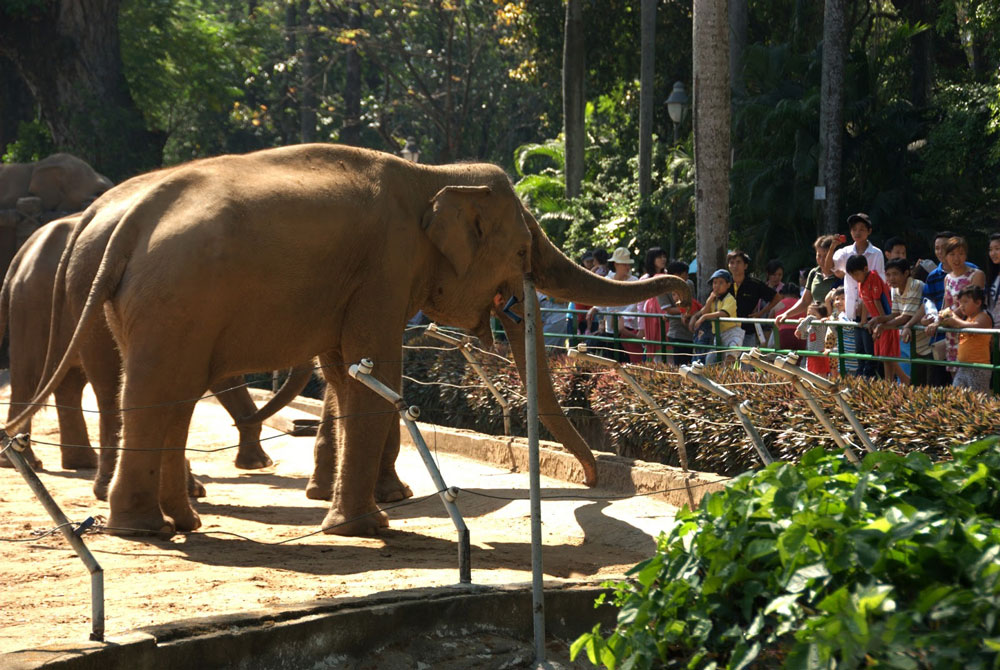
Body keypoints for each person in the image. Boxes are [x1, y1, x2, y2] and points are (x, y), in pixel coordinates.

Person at [775, 235, 842, 376]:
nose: (822, 260)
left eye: (826, 255)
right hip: (816, 327)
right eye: (819, 255)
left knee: (833, 363)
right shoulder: (813, 273)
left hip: (833, 326)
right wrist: (786, 314)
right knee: (813, 363)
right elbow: (805, 301)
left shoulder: (840, 275)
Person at [922, 230, 979, 385]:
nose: (956, 258)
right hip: (951, 335)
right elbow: (943, 306)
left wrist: (941, 321)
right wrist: (935, 319)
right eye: (951, 254)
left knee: (975, 383)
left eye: (960, 253)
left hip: (970, 331)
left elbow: (970, 305)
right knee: (955, 383)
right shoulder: (945, 278)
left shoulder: (976, 273)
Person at [833, 213, 885, 377]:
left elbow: (876, 285)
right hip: (853, 311)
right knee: (859, 352)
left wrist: (865, 315)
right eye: (854, 229)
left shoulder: (876, 254)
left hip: (872, 313)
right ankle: (862, 383)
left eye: (862, 229)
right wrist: (832, 246)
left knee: (871, 354)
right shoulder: (845, 251)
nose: (857, 232)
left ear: (869, 231)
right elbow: (831, 268)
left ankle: (870, 384)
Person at [877, 258, 931, 385]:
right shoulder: (894, 289)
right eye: (888, 275)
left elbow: (905, 317)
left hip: (925, 342)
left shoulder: (915, 285)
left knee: (923, 383)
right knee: (906, 380)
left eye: (895, 274)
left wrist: (882, 326)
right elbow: (895, 313)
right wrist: (878, 320)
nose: (891, 278)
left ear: (906, 273)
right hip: (908, 339)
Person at [846, 253, 897, 380]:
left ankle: (892, 382)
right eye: (852, 275)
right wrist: (864, 320)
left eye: (856, 274)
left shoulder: (873, 277)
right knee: (881, 355)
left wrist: (881, 323)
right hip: (876, 322)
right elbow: (864, 301)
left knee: (887, 356)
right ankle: (887, 382)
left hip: (885, 321)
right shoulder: (861, 282)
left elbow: (877, 301)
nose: (855, 278)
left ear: (865, 269)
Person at [586, 247, 641, 362]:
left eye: (628, 264)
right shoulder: (608, 280)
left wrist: (621, 315)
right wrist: (595, 308)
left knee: (626, 359)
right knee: (610, 357)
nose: (627, 267)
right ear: (616, 264)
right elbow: (603, 300)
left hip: (627, 328)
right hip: (610, 328)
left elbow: (635, 304)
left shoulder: (634, 280)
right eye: (624, 264)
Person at [938, 285, 993, 392]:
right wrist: (943, 319)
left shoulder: (983, 316)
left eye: (965, 302)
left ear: (978, 303)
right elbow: (959, 323)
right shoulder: (967, 318)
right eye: (960, 303)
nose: (961, 306)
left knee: (977, 399)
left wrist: (954, 318)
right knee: (957, 395)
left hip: (978, 367)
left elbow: (971, 326)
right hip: (963, 365)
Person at [726, 250, 781, 346]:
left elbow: (777, 297)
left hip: (747, 331)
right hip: (726, 330)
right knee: (724, 359)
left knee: (746, 360)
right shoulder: (724, 283)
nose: (735, 265)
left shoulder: (754, 284)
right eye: (732, 262)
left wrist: (761, 312)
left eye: (738, 262)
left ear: (745, 266)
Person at [691, 269, 743, 365]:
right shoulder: (713, 299)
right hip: (719, 334)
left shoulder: (730, 299)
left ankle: (727, 377)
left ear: (728, 285)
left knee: (730, 355)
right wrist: (710, 300)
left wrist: (704, 317)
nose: (716, 286)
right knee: (710, 360)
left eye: (720, 283)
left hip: (732, 332)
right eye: (714, 283)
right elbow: (705, 311)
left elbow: (723, 313)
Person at [661, 260, 701, 366]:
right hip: (676, 331)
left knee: (689, 362)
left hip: (690, 330)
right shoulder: (663, 288)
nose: (687, 277)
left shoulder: (689, 284)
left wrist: (688, 311)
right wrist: (686, 310)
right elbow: (668, 309)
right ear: (676, 275)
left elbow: (692, 303)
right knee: (680, 363)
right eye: (685, 274)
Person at [771, 283, 807, 351]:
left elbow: (770, 317)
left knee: (782, 359)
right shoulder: (802, 305)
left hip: (783, 335)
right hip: (800, 336)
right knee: (797, 359)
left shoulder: (779, 304)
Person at [987, 232, 1000, 326]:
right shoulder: (993, 276)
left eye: (997, 249)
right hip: (993, 328)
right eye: (990, 250)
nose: (993, 253)